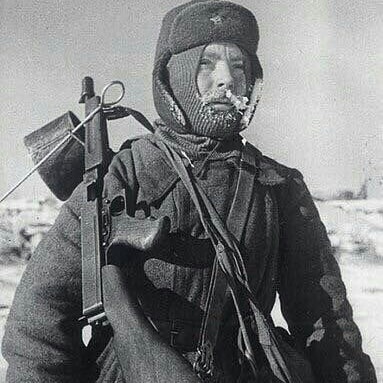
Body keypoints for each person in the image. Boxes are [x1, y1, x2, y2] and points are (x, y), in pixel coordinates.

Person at [2, 1, 377, 382]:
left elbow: (327, 323)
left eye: (239, 66)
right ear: (175, 75)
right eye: (206, 63)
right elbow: (39, 324)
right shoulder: (121, 178)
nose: (226, 78)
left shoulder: (279, 188)